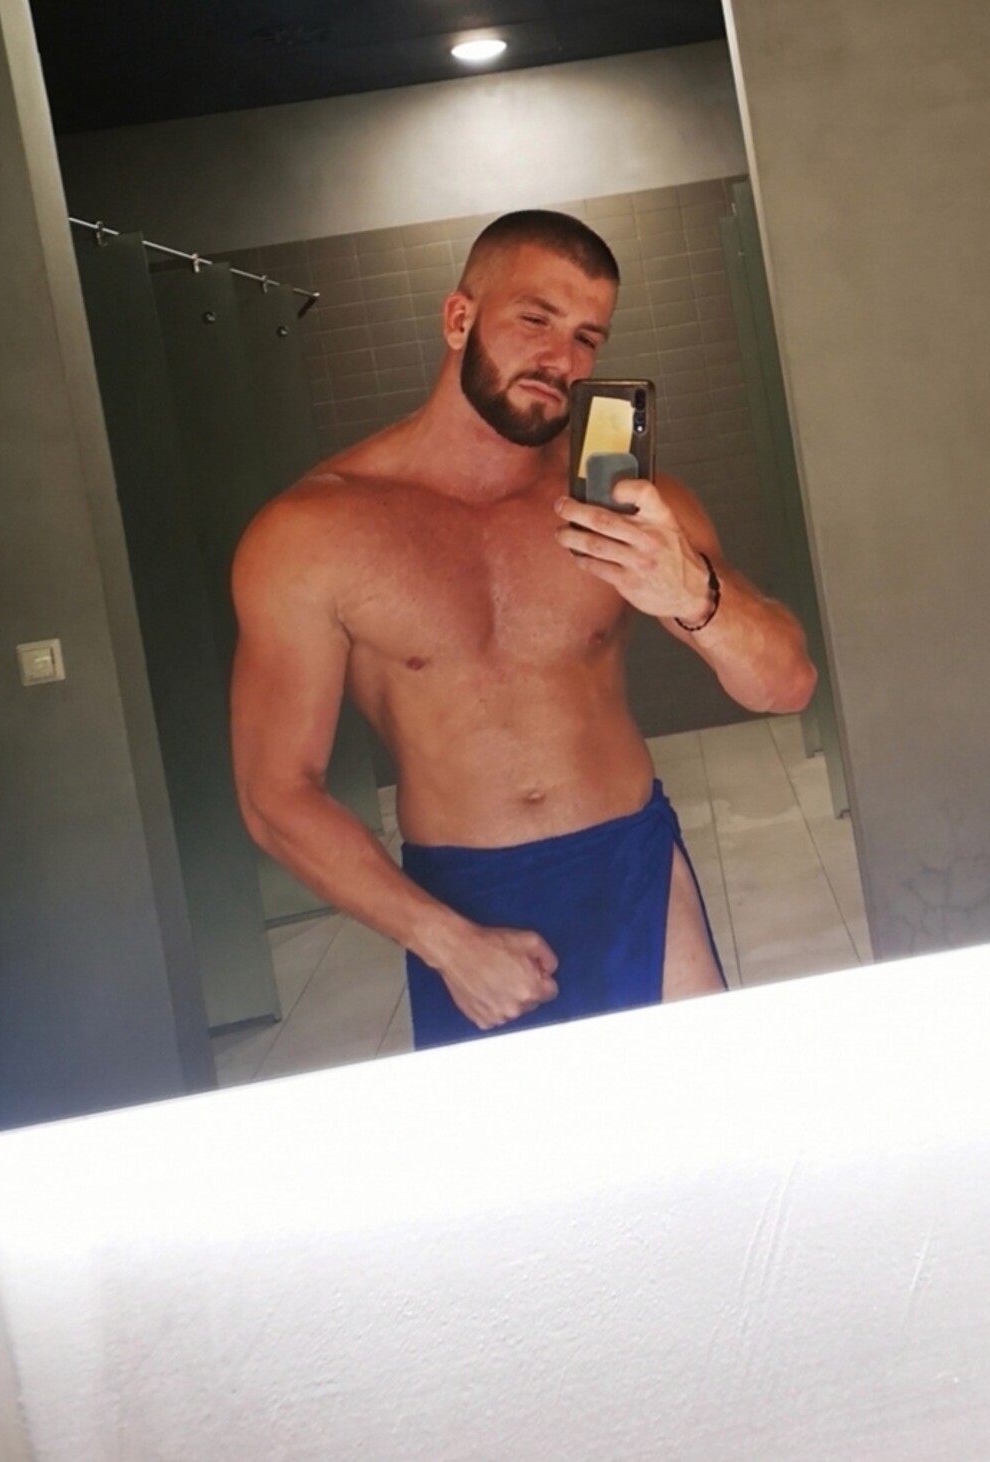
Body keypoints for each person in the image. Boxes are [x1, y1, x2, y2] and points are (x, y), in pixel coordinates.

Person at [230, 210, 816, 1047]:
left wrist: (694, 590)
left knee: (697, 1114)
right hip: (465, 898)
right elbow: (276, 794)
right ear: (458, 318)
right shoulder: (310, 534)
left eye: (587, 338)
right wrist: (444, 942)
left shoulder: (625, 506)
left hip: (633, 865)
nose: (561, 360)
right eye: (535, 320)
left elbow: (786, 686)